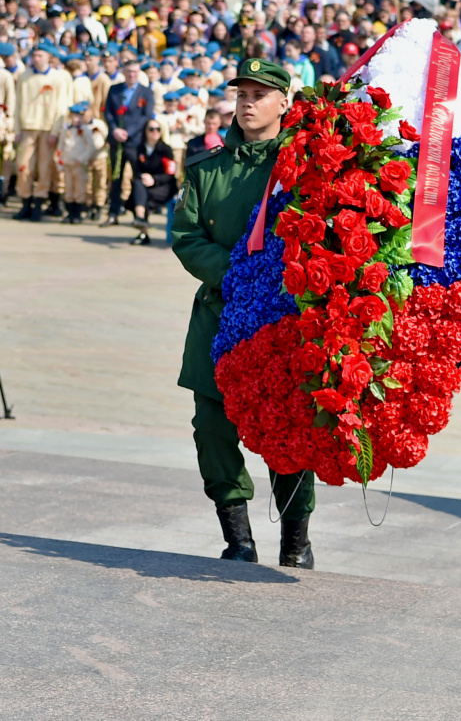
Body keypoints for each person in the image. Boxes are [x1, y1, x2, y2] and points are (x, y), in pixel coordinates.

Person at [172, 58, 318, 567]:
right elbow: (186, 237)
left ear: (285, 102)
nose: (248, 102)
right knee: (211, 429)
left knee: (287, 432)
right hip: (221, 314)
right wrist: (235, 275)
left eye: (260, 94)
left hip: (283, 322)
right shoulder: (206, 169)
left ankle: (296, 542)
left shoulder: (304, 169)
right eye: (242, 94)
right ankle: (238, 538)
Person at [12, 45, 69, 220]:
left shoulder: (57, 78)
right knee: (23, 165)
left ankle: (39, 201)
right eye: (34, 55)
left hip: (47, 128)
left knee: (45, 167)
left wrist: (55, 131)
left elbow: (62, 106)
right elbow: (18, 104)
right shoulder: (25, 76)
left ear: (48, 57)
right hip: (28, 127)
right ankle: (25, 200)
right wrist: (17, 129)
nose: (36, 58)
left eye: (40, 55)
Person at [103, 57, 156, 224]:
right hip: (117, 140)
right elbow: (108, 112)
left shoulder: (146, 92)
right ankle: (113, 213)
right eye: (128, 72)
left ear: (139, 73)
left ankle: (139, 214)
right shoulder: (115, 89)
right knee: (116, 177)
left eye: (134, 72)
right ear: (124, 73)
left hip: (136, 141)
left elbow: (146, 116)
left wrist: (129, 132)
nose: (132, 75)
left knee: (138, 177)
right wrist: (115, 129)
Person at [125, 120, 178, 247]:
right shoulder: (140, 149)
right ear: (145, 131)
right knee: (138, 185)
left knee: (140, 196)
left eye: (158, 129)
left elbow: (170, 174)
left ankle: (141, 223)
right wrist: (144, 177)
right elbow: (136, 170)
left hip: (164, 186)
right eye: (151, 129)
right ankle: (141, 220)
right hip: (144, 185)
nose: (155, 132)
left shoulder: (165, 149)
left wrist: (154, 179)